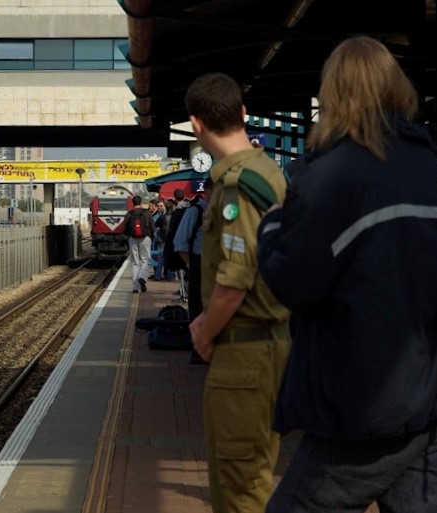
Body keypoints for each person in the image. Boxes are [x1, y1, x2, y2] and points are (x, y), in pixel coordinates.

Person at [258, 36, 437, 512]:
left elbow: (293, 282)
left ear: (333, 95)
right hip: (425, 403)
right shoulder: (430, 166)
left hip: (360, 406)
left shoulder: (332, 176)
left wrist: (272, 225)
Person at [184, 72, 291, 512]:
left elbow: (235, 278)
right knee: (253, 476)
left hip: (245, 355)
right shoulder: (268, 171)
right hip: (265, 348)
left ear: (196, 125)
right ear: (243, 113)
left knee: (239, 488)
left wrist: (205, 331)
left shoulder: (237, 185)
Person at [174, 179, 212, 364]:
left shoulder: (226, 212)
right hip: (199, 263)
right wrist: (191, 266)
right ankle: (199, 350)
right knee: (199, 306)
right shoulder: (195, 211)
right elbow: (180, 243)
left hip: (219, 265)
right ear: (208, 191)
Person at [121, 195, 155, 293]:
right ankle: (142, 277)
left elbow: (124, 228)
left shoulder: (129, 214)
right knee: (145, 260)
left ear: (133, 203)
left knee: (135, 263)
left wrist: (127, 237)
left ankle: (135, 288)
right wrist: (151, 237)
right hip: (145, 238)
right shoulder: (147, 213)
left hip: (133, 239)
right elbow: (153, 227)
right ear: (141, 202)